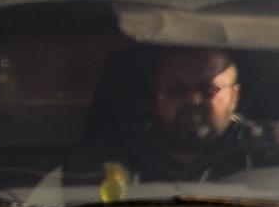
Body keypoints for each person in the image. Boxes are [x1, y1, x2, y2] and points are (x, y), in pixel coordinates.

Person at [106, 46, 279, 187]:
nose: (193, 101)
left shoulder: (269, 154)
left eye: (209, 90)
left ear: (234, 97)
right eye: (176, 90)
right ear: (155, 97)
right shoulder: (115, 155)